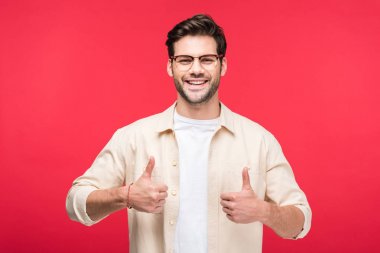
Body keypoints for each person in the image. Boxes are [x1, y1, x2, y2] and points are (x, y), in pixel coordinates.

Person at [66, 14, 311, 253]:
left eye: (207, 59)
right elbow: (75, 203)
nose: (196, 70)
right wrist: (125, 195)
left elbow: (300, 223)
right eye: (184, 60)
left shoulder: (260, 141)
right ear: (170, 67)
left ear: (222, 65)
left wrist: (263, 211)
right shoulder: (132, 137)